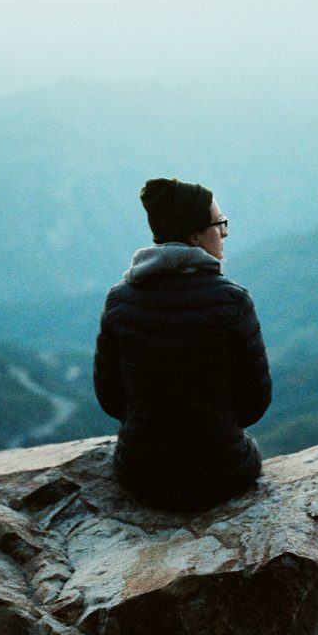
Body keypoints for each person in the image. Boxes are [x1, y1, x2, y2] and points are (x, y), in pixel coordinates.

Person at [94, 177, 271, 511]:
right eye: (219, 225)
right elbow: (253, 404)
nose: (226, 233)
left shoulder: (120, 300)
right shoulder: (232, 302)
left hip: (141, 473)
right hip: (222, 472)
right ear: (194, 236)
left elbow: (111, 400)